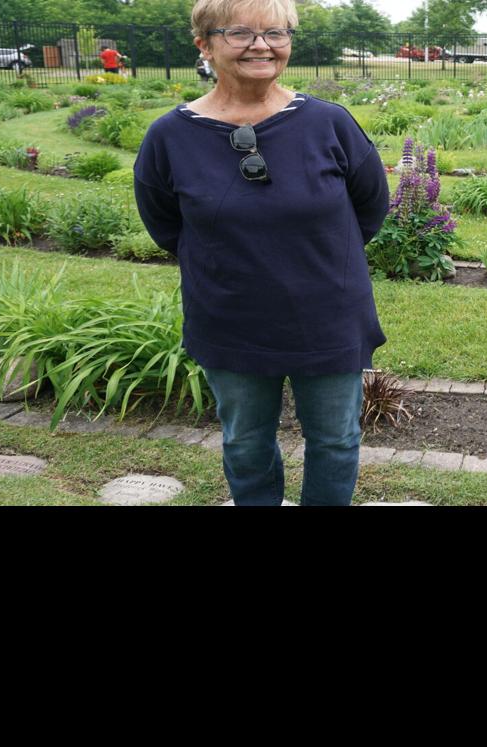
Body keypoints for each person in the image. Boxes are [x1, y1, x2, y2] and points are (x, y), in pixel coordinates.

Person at [133, 0, 390, 506]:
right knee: (246, 441)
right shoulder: (169, 137)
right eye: (240, 33)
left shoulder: (329, 123)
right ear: (203, 45)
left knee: (335, 440)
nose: (262, 45)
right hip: (230, 315)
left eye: (276, 33)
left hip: (327, 312)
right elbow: (165, 225)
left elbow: (370, 207)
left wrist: (311, 258)